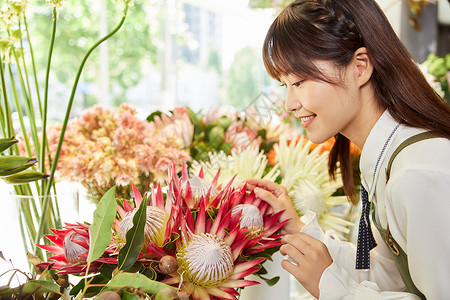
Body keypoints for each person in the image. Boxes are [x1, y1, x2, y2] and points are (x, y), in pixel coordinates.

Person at [246, 0, 450, 299]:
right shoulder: (386, 159)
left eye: (300, 81)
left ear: (360, 67)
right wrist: (299, 229)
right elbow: (389, 276)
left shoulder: (416, 175)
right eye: (284, 85)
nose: (290, 104)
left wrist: (330, 288)